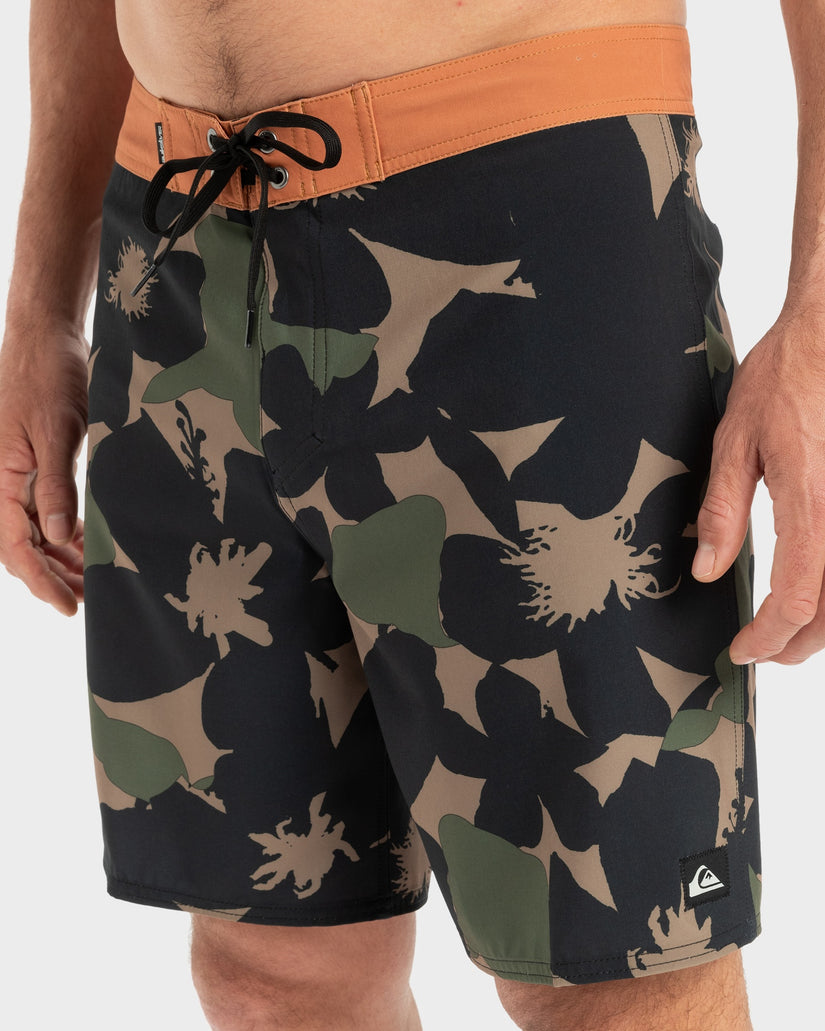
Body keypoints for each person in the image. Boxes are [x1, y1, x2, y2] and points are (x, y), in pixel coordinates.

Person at [0, 0, 823, 1028]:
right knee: (272, 964)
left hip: (527, 214)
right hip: (176, 242)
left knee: (616, 968)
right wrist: (41, 304)